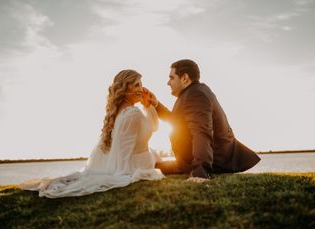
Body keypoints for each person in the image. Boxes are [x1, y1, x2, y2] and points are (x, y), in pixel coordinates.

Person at [20, 70, 165, 198]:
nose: (142, 89)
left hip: (142, 156)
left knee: (159, 157)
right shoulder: (132, 113)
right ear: (125, 90)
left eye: (141, 84)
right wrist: (149, 105)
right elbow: (152, 129)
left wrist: (148, 104)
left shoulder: (120, 112)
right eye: (136, 85)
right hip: (136, 164)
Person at [143, 59, 260, 181]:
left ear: (185, 78)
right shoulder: (194, 91)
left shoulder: (196, 95)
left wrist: (200, 171)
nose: (168, 83)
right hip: (189, 161)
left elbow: (202, 132)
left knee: (150, 167)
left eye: (171, 78)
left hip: (215, 163)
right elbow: (176, 121)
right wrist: (155, 103)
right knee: (152, 166)